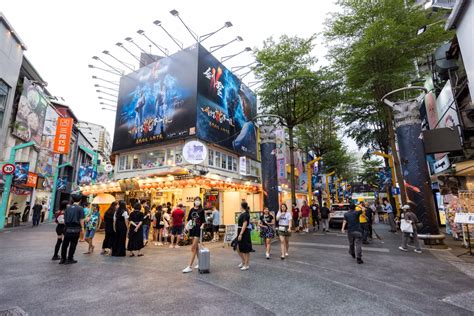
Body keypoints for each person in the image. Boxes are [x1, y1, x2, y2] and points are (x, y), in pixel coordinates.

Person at [182, 197, 206, 273]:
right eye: (196, 200)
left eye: (199, 200)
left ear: (200, 202)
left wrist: (202, 225)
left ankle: (189, 266)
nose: (197, 201)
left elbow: (203, 221)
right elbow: (189, 220)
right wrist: (187, 229)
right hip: (192, 229)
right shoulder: (192, 210)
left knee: (193, 248)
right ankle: (200, 263)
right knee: (197, 248)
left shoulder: (202, 210)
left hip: (198, 230)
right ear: (194, 201)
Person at [60, 194, 85, 265]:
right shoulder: (80, 208)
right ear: (80, 200)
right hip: (76, 229)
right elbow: (81, 219)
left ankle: (63, 259)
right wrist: (82, 228)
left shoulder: (68, 208)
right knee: (73, 244)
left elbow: (64, 219)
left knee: (65, 244)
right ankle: (70, 258)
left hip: (67, 228)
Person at [236, 202, 252, 270]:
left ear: (242, 207)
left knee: (246, 249)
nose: (239, 207)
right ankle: (243, 261)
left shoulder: (246, 214)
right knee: (237, 247)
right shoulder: (242, 214)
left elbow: (245, 224)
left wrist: (241, 234)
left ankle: (246, 264)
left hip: (244, 232)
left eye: (240, 206)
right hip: (240, 230)